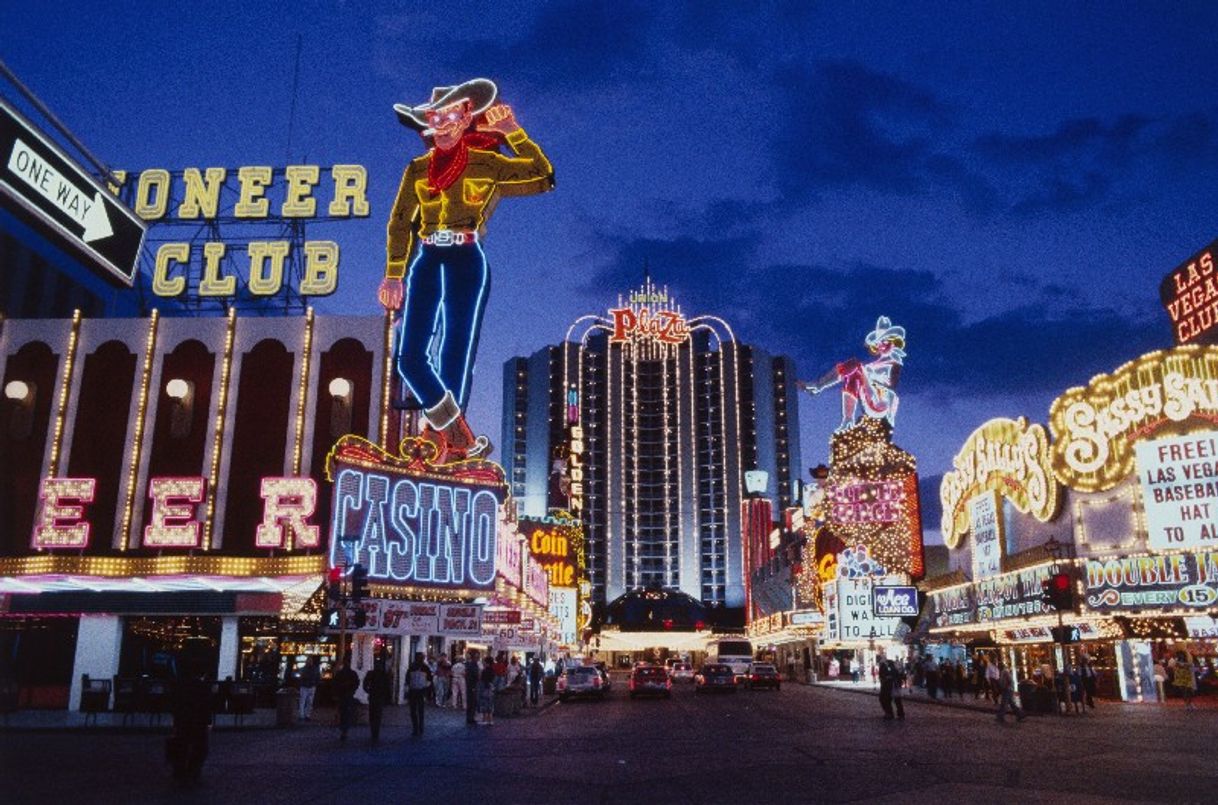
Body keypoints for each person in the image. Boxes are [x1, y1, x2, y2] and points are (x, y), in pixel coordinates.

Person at [378, 78, 555, 462]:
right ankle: (454, 429)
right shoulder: (417, 169)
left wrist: (513, 133)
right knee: (409, 357)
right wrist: (394, 273)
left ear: (465, 118)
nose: (442, 121)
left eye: (450, 114)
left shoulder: (486, 162)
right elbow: (399, 221)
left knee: (456, 350)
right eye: (435, 114)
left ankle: (443, 439)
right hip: (426, 258)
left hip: (466, 256)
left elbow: (543, 177)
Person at [168, 655, 213, 784]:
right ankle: (193, 771)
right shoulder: (203, 686)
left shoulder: (180, 685)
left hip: (183, 720)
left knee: (181, 743)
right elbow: (207, 705)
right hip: (199, 722)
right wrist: (208, 720)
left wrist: (176, 718)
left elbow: (175, 703)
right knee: (200, 747)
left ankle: (179, 770)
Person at [363, 658, 393, 743]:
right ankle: (376, 731)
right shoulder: (383, 674)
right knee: (377, 714)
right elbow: (387, 687)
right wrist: (388, 697)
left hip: (373, 696)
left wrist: (367, 690)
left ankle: (374, 731)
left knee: (373, 714)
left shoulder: (371, 674)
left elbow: (365, 684)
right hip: (379, 696)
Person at [406, 652, 433, 736]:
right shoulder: (425, 667)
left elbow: (408, 679)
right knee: (419, 710)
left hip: (414, 690)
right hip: (420, 691)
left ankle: (416, 728)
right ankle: (419, 728)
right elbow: (429, 679)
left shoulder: (412, 667)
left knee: (414, 710)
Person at [333, 659, 360, 742]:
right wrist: (352, 691)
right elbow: (356, 683)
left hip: (342, 695)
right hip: (348, 695)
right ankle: (345, 728)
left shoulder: (340, 674)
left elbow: (335, 684)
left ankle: (342, 727)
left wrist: (336, 694)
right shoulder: (352, 673)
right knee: (347, 712)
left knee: (342, 712)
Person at [995, 659, 1025, 723]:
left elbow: (1010, 680)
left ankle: (1000, 716)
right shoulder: (1003, 672)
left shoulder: (1005, 672)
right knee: (1011, 704)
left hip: (1007, 690)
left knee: (1004, 704)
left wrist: (1006, 686)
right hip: (1007, 689)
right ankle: (1020, 714)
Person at [297, 656, 319, 721]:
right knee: (304, 701)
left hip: (309, 686)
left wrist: (315, 683)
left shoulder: (304, 669)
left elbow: (317, 677)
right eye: (308, 661)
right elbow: (317, 677)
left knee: (307, 702)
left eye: (310, 661)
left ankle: (305, 715)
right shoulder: (313, 669)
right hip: (306, 686)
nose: (309, 662)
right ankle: (303, 715)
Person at [479, 655, 497, 725]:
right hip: (491, 687)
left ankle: (484, 720)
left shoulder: (485, 670)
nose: (483, 663)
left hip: (486, 687)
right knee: (490, 703)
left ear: (487, 663)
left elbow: (482, 679)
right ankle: (491, 720)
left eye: (484, 662)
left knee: (485, 703)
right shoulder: (492, 670)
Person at [464, 649, 481, 725]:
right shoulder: (473, 664)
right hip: (472, 685)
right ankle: (470, 717)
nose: (478, 657)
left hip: (470, 685)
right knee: (472, 702)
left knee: (471, 702)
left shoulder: (471, 664)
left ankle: (470, 717)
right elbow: (476, 675)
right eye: (477, 656)